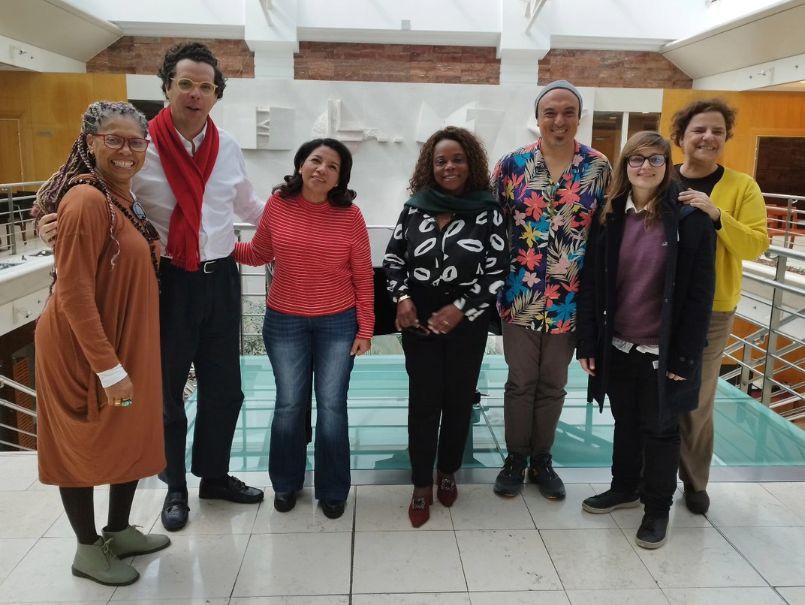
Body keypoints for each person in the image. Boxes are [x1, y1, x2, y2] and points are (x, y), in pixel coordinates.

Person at [38, 42, 267, 531]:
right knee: (165, 394)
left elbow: (249, 206)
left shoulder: (227, 147)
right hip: (166, 283)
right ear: (166, 87)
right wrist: (45, 221)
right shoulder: (139, 145)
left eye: (205, 86)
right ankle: (174, 486)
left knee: (225, 389)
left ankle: (215, 476)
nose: (195, 94)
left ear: (216, 95)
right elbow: (76, 188)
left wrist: (302, 222)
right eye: (185, 83)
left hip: (221, 279)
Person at [33, 101, 170, 585]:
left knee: (128, 432)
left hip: (124, 343)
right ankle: (87, 549)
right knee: (82, 442)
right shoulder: (86, 200)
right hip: (83, 351)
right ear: (91, 143)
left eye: (136, 141)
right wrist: (109, 370)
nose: (126, 150)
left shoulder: (122, 199)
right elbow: (72, 292)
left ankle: (119, 530)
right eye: (114, 139)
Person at [575, 131, 716, 549]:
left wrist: (685, 358)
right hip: (618, 344)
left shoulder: (689, 219)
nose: (646, 167)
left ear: (667, 166)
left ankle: (657, 509)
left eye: (656, 159)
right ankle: (624, 488)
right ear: (625, 165)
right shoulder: (610, 215)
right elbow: (592, 284)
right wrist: (588, 343)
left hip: (663, 351)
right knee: (626, 421)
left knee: (660, 430)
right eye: (636, 159)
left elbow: (699, 295)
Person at [233, 138, 374, 519]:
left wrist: (365, 328)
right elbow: (260, 253)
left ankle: (333, 489)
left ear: (340, 178)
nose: (322, 169)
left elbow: (363, 275)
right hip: (285, 321)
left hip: (338, 322)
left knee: (332, 406)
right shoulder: (278, 205)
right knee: (289, 404)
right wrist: (219, 244)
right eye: (316, 160)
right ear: (300, 164)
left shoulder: (351, 215)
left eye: (332, 166)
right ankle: (285, 482)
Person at [492, 80, 611, 499]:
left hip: (570, 299)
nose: (559, 120)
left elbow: (608, 231)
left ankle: (542, 459)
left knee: (553, 384)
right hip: (518, 295)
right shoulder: (512, 165)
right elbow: (492, 224)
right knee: (520, 382)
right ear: (538, 118)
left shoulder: (598, 167)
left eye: (568, 112)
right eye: (550, 112)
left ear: (579, 117)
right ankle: (515, 458)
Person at [383, 127, 508, 527]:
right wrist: (402, 298)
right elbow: (394, 259)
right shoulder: (415, 207)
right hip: (418, 317)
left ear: (471, 163)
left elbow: (497, 271)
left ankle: (448, 471)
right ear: (430, 166)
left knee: (458, 400)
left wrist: (460, 308)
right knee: (423, 402)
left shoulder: (488, 210)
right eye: (441, 161)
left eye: (457, 159)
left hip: (467, 320)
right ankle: (421, 483)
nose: (449, 167)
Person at [670, 99, 769, 514]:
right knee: (648, 393)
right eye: (699, 130)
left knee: (695, 398)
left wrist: (716, 215)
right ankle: (645, 474)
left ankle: (694, 481)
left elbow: (756, 245)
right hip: (657, 305)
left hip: (711, 308)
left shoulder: (742, 186)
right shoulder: (663, 177)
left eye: (717, 131)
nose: (708, 137)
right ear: (681, 137)